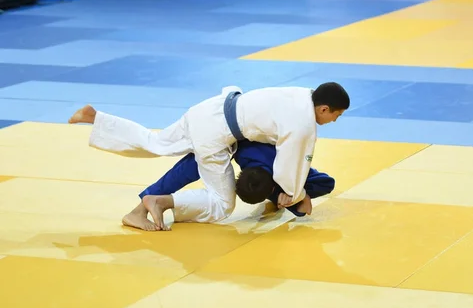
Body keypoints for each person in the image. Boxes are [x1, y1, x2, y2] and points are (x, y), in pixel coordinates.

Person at [68, 83, 350, 231]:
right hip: (216, 134)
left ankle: (97, 118)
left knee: (156, 142)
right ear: (324, 108)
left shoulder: (301, 94)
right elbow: (291, 164)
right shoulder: (302, 125)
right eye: (336, 115)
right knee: (222, 205)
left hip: (211, 108)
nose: (335, 121)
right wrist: (293, 193)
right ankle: (160, 201)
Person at [123, 140, 336, 231]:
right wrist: (297, 195)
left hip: (224, 117)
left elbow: (328, 184)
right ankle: (148, 205)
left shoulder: (282, 167)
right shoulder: (286, 168)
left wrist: (296, 192)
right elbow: (314, 197)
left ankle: (143, 207)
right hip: (223, 126)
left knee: (193, 161)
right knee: (221, 202)